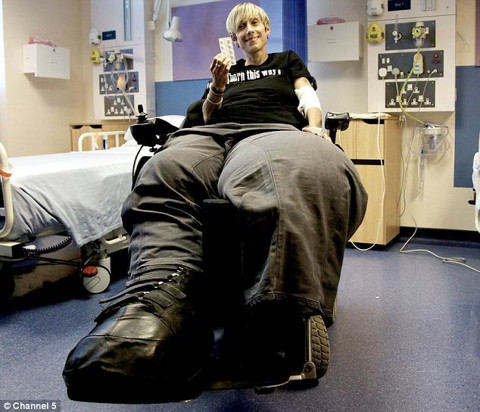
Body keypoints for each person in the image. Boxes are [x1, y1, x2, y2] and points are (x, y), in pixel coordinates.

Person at [63, 2, 367, 403]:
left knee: (283, 173)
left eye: (255, 23)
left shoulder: (286, 61)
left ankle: (277, 311)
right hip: (211, 134)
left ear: (266, 28)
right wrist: (218, 86)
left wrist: (314, 127)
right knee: (164, 169)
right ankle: (160, 303)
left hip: (273, 131)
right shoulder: (226, 70)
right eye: (241, 27)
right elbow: (205, 115)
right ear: (235, 37)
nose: (249, 30)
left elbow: (307, 97)